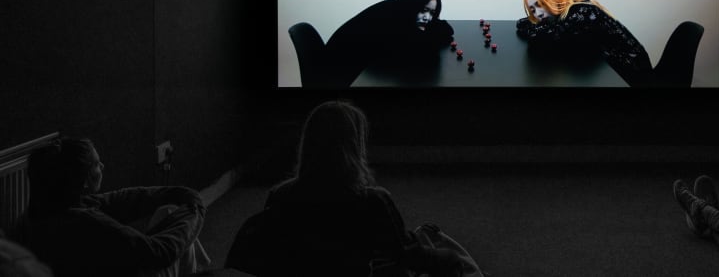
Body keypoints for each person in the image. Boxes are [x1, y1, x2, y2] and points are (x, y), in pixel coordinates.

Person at [226, 100, 468, 277]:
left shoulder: (279, 195)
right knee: (450, 257)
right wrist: (450, 259)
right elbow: (409, 256)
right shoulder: (373, 201)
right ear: (353, 147)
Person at [13, 137, 208, 277]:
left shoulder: (46, 208)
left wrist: (179, 194)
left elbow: (123, 199)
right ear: (83, 181)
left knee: (169, 211)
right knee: (179, 234)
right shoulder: (84, 222)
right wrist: (195, 208)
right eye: (97, 165)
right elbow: (158, 252)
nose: (103, 167)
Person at [515, 0, 652, 86]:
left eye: (540, 4)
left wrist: (535, 26)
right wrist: (534, 20)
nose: (538, 14)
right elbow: (522, 24)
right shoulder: (568, 11)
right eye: (533, 10)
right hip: (608, 67)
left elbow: (538, 37)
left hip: (632, 71)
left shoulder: (582, 13)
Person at [325, 0, 454, 86]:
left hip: (344, 74)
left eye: (432, 12)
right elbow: (417, 48)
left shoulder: (396, 10)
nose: (428, 17)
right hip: (338, 83)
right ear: (412, 5)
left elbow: (446, 30)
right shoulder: (393, 19)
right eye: (424, 10)